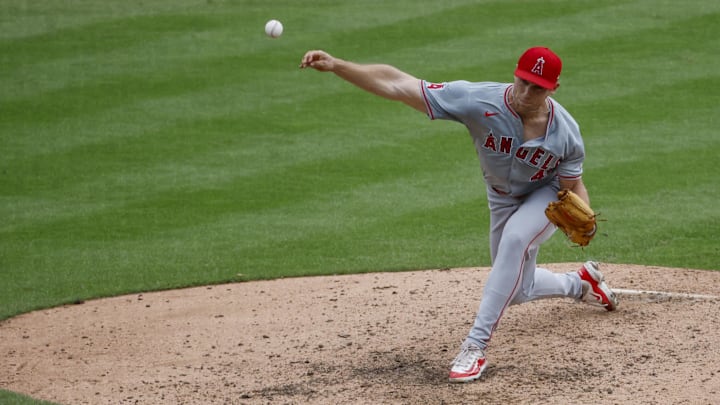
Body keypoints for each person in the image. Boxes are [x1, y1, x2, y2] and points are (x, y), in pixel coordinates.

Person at [300, 46, 619, 383]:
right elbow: (398, 84)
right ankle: (579, 282)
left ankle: (474, 347)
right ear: (515, 72)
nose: (526, 92)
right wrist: (338, 65)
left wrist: (586, 217)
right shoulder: (478, 100)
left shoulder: (565, 132)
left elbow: (572, 186)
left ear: (553, 88)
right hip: (501, 199)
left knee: (515, 240)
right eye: (523, 81)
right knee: (516, 288)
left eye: (537, 87)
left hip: (544, 196)